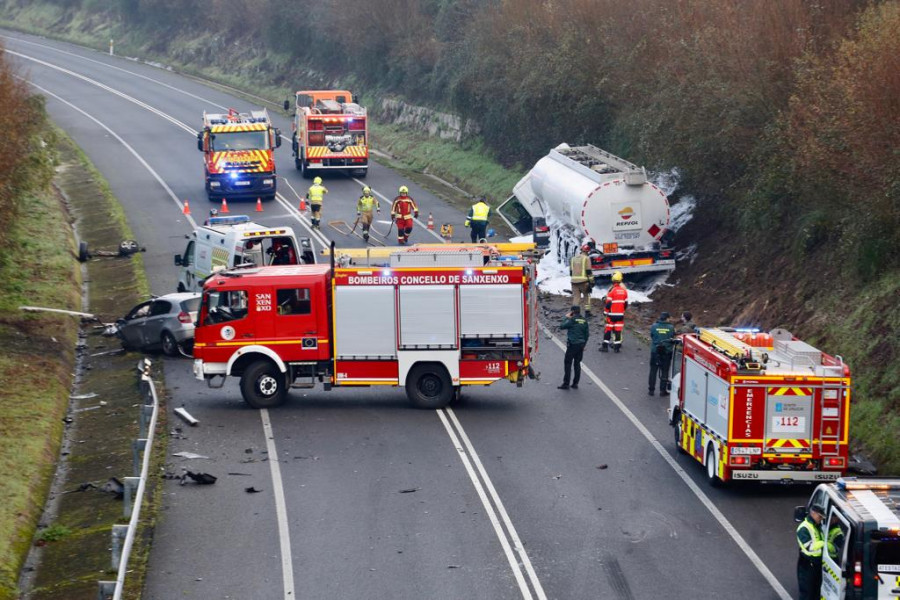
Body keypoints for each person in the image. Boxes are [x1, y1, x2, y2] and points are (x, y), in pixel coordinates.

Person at [796, 504, 825, 600]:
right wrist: (823, 543)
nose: (821, 519)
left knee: (816, 592)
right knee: (807, 594)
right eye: (819, 516)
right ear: (813, 513)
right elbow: (809, 547)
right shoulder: (804, 528)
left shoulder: (816, 526)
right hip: (807, 565)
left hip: (816, 564)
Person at [558, 306, 589, 390]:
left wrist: (566, 318)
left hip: (573, 344)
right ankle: (575, 383)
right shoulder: (584, 320)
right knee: (577, 363)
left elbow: (562, 326)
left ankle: (566, 383)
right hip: (581, 344)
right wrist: (584, 345)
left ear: (572, 312)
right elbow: (587, 334)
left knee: (568, 363)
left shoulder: (572, 320)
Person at [648, 312, 676, 395]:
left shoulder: (654, 326)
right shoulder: (671, 327)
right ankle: (662, 390)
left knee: (653, 370)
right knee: (665, 371)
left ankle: (651, 390)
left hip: (655, 351)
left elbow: (652, 336)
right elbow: (672, 337)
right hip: (666, 352)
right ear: (667, 318)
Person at [601, 271, 628, 352]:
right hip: (620, 315)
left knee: (608, 329)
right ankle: (617, 348)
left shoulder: (612, 290)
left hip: (611, 314)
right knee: (618, 331)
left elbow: (608, 303)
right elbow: (626, 303)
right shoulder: (624, 290)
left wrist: (605, 313)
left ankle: (605, 347)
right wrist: (622, 311)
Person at [569, 245, 593, 316]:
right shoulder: (586, 258)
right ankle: (587, 313)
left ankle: (575, 314)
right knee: (587, 296)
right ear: (587, 251)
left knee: (576, 297)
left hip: (573, 282)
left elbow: (570, 272)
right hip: (583, 282)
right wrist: (592, 281)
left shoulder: (573, 258)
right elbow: (588, 271)